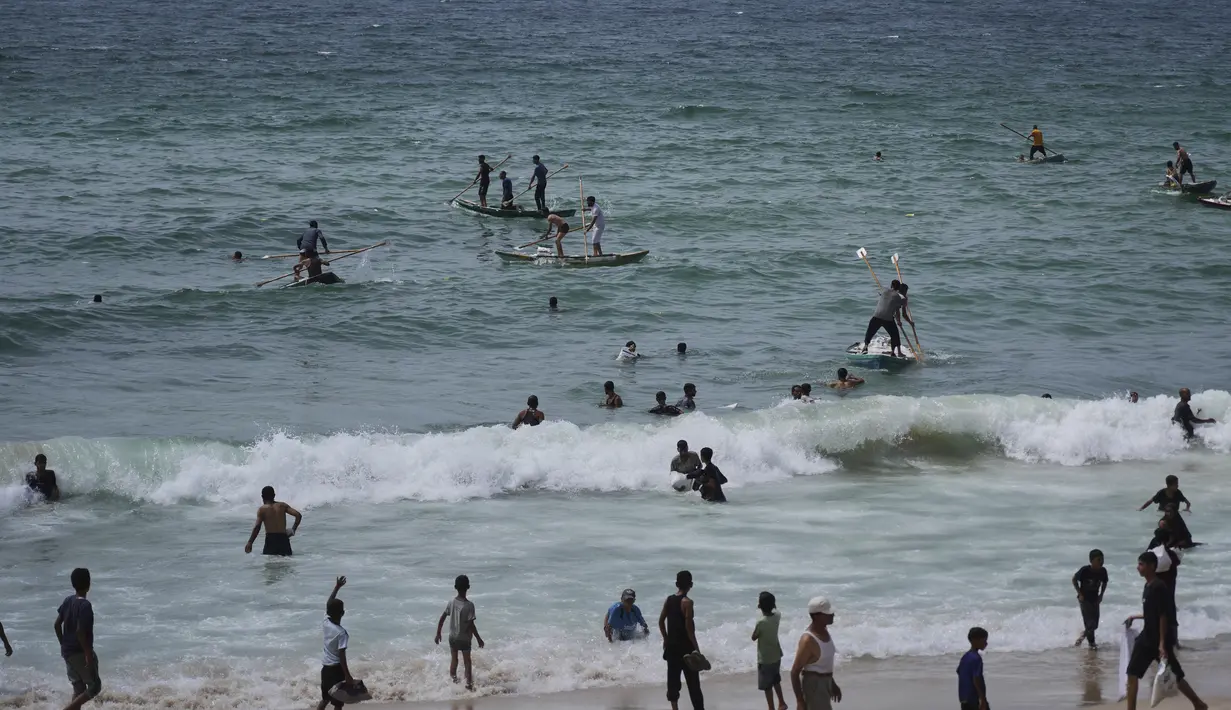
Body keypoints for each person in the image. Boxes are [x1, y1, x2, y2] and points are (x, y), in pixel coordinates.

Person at [1123, 551, 1206, 710]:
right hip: (1147, 638)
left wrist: (1161, 644)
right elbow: (1152, 612)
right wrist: (1135, 617)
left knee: (1175, 675)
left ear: (1152, 566)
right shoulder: (1148, 585)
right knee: (1132, 673)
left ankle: (1198, 703)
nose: (1138, 568)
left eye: (1141, 564)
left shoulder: (1158, 587)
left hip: (1157, 639)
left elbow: (1163, 615)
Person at [55, 568, 99, 710]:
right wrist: (87, 655)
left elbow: (56, 625)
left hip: (67, 652)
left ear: (73, 584)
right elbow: (80, 632)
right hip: (80, 652)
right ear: (89, 584)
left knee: (79, 689)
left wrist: (64, 644)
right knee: (95, 687)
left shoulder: (68, 600)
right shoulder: (85, 605)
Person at [659, 570, 703, 710]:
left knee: (673, 682)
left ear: (677, 584)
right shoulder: (687, 603)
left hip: (672, 649)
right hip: (686, 650)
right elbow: (689, 629)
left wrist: (666, 639)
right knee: (693, 684)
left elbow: (661, 622)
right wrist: (697, 648)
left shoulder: (669, 599)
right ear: (691, 584)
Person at [790, 596, 841, 710]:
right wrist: (800, 701)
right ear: (817, 616)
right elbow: (794, 672)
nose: (832, 615)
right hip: (814, 686)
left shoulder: (824, 631)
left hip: (825, 683)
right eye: (828, 613)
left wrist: (832, 684)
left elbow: (823, 664)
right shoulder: (808, 640)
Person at [435, 574, 484, 690]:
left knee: (454, 659)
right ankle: (469, 686)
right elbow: (471, 625)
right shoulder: (469, 605)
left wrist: (438, 633)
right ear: (468, 587)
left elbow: (442, 617)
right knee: (467, 662)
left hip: (452, 637)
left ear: (455, 587)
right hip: (465, 638)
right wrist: (478, 638)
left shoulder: (451, 602)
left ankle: (453, 682)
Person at [318, 576, 354, 710]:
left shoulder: (326, 622)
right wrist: (348, 675)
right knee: (338, 703)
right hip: (337, 670)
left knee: (325, 699)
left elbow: (329, 603)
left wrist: (337, 587)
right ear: (343, 613)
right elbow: (342, 656)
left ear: (328, 612)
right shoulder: (341, 633)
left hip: (325, 669)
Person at [244, 486, 302, 556]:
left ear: (262, 497)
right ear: (274, 495)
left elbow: (257, 526)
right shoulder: (282, 506)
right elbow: (298, 515)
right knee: (286, 564)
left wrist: (250, 542)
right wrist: (293, 530)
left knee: (270, 564)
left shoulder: (262, 509)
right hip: (283, 540)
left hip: (271, 540)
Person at [752, 592, 786, 710]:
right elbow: (776, 611)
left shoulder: (761, 622)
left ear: (760, 606)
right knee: (776, 680)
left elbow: (754, 637)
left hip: (765, 658)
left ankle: (771, 707)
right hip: (776, 655)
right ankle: (781, 702)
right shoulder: (777, 616)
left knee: (767, 686)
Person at [861, 280, 910, 358]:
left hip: (876, 317)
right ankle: (894, 352)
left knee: (870, 332)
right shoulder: (901, 298)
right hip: (888, 319)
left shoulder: (884, 291)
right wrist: (908, 322)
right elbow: (901, 313)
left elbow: (889, 301)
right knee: (895, 335)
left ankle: (865, 347)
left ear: (891, 286)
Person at [1072, 549, 1108, 648]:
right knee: (1090, 623)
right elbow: (1074, 579)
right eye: (1099, 560)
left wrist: (1101, 595)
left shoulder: (1103, 571)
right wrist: (1080, 593)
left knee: (1095, 624)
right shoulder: (1085, 570)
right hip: (1085, 600)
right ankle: (1092, 644)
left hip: (1095, 599)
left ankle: (1082, 636)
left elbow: (1105, 582)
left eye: (1102, 559)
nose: (1101, 562)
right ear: (1091, 561)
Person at [957, 627, 988, 710]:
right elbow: (976, 679)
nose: (986, 643)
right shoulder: (976, 658)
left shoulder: (965, 657)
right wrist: (982, 699)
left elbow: (959, 671)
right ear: (975, 640)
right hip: (974, 699)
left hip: (964, 699)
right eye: (984, 640)